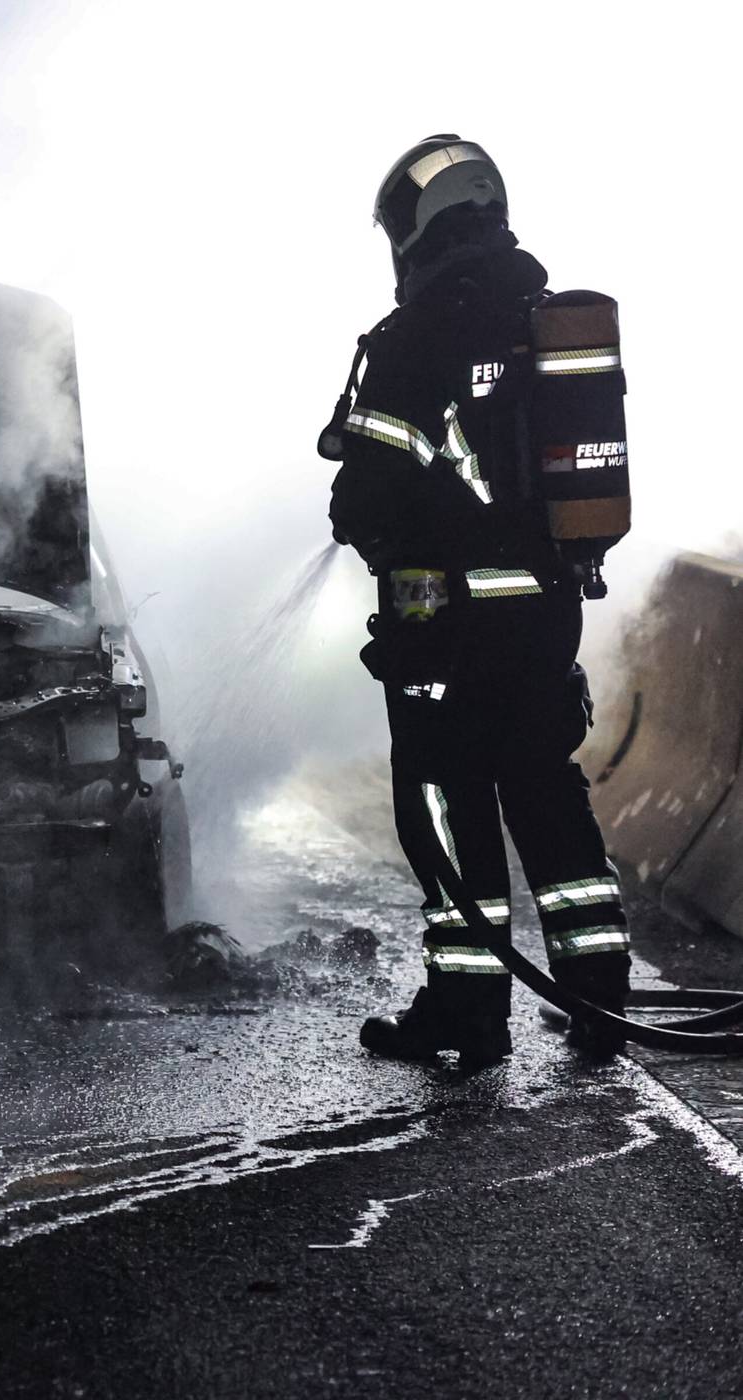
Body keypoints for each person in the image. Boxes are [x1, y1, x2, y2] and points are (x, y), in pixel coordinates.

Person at [328, 135, 631, 1066]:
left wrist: (365, 524)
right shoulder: (538, 318)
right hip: (543, 611)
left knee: (448, 799)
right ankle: (598, 995)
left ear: (415, 234)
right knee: (544, 783)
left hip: (448, 629)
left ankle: (468, 1011)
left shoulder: (411, 340)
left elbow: (366, 494)